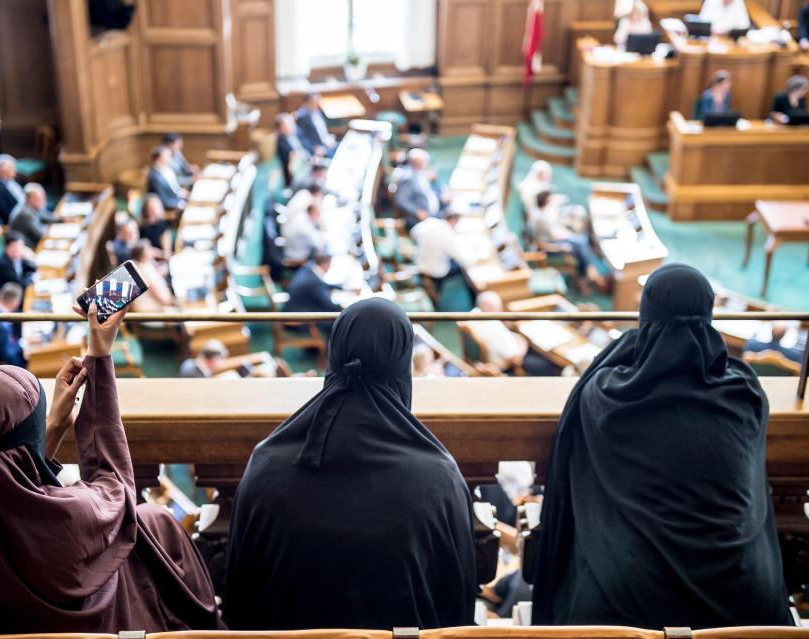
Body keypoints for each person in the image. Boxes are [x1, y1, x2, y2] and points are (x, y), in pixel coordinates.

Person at [0, 303, 221, 632]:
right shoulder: (62, 523)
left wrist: (52, 427)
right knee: (155, 523)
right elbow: (114, 487)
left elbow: (1, 478)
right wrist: (100, 356)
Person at [529, 263, 792, 629]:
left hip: (625, 601)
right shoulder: (744, 393)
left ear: (645, 315)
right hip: (742, 596)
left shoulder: (607, 394)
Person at [225, 298, 477, 630]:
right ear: (401, 365)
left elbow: (239, 599)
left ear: (336, 353)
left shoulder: (267, 462)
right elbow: (456, 606)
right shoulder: (438, 476)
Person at [529, 191, 603, 293]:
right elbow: (554, 236)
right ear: (546, 201)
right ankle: (585, 276)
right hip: (550, 248)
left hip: (554, 241)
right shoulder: (541, 217)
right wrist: (569, 235)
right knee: (580, 245)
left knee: (581, 242)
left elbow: (555, 229)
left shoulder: (542, 212)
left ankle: (586, 274)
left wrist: (568, 234)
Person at [472, 292, 560, 376]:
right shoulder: (493, 327)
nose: (500, 310)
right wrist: (523, 345)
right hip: (512, 364)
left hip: (509, 350)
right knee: (550, 365)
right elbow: (515, 360)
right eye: (498, 308)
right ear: (490, 308)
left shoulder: (474, 314)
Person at [411, 212, 470, 296]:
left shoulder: (430, 221)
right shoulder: (448, 235)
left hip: (419, 262)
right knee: (461, 269)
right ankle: (439, 290)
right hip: (435, 271)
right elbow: (460, 257)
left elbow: (413, 232)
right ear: (454, 221)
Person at [395, 148, 448, 231]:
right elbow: (401, 200)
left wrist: (441, 196)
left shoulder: (420, 174)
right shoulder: (408, 177)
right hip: (419, 221)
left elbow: (426, 193)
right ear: (416, 162)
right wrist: (417, 212)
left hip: (434, 216)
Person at [0, 232, 36, 300]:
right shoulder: (3, 264)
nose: (17, 249)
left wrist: (30, 259)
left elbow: (32, 268)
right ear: (6, 247)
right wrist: (32, 279)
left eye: (20, 246)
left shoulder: (16, 257)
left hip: (11, 294)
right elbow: (21, 285)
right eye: (14, 246)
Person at [129, 241, 176, 313]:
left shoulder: (145, 265)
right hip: (151, 313)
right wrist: (174, 302)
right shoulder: (144, 270)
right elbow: (160, 298)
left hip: (156, 307)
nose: (152, 250)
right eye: (149, 249)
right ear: (144, 254)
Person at [0, 154, 26, 225]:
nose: (15, 171)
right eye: (13, 169)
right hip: (19, 220)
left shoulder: (10, 178)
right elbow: (6, 215)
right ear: (4, 172)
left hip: (27, 208)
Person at [147, 145, 188, 211]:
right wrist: (180, 204)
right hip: (168, 207)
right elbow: (164, 201)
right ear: (158, 160)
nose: (170, 158)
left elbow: (173, 188)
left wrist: (181, 193)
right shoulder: (155, 178)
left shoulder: (167, 169)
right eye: (167, 156)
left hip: (177, 199)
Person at [275, 112, 310, 187]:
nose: (289, 127)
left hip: (307, 161)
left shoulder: (295, 132)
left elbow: (306, 144)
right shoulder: (280, 142)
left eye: (290, 124)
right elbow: (291, 165)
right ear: (279, 129)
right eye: (285, 126)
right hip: (296, 172)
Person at [139, 194, 173, 259]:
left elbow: (167, 253)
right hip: (145, 258)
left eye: (155, 208)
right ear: (146, 211)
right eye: (150, 209)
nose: (153, 211)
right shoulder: (142, 227)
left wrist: (156, 253)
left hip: (161, 258)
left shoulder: (163, 225)